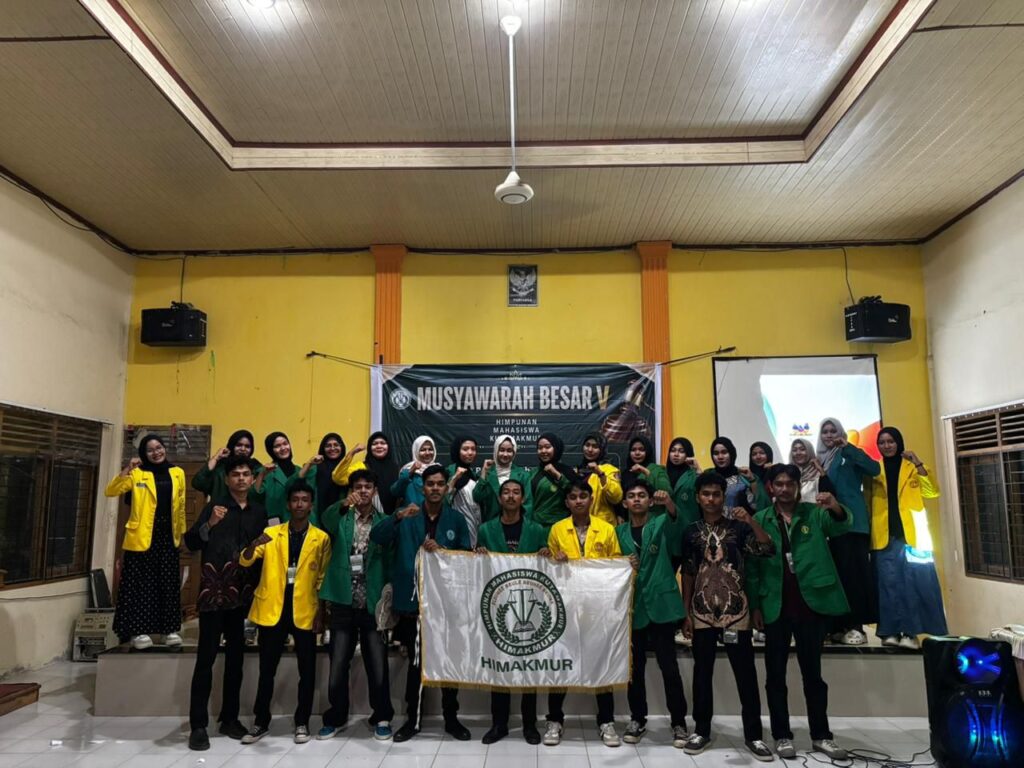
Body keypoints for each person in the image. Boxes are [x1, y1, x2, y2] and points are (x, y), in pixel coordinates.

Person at [747, 464, 853, 761]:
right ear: (770, 488)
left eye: (789, 483)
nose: (783, 489)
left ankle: (821, 735)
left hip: (811, 605)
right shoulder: (760, 519)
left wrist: (836, 507)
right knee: (775, 675)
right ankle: (782, 735)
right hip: (775, 606)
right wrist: (755, 604)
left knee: (813, 675)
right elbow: (753, 567)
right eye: (778, 484)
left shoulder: (815, 514)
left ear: (797, 486)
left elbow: (841, 525)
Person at [370, 464, 471, 742]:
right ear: (422, 488)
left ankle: (451, 719)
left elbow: (466, 556)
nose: (436, 488)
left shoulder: (456, 519)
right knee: (416, 665)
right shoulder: (408, 515)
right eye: (431, 484)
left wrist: (444, 552)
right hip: (413, 604)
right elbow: (377, 537)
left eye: (441, 483)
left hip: (446, 604)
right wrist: (398, 515)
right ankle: (412, 720)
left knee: (448, 663)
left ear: (446, 487)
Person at [680, 471, 775, 761]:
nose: (711, 499)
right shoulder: (690, 532)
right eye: (706, 494)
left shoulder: (739, 527)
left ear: (724, 496)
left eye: (716, 494)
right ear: (698, 497)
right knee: (702, 673)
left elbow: (767, 549)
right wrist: (685, 613)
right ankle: (702, 731)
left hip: (737, 612)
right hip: (702, 611)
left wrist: (751, 520)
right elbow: (688, 572)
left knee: (745, 673)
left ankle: (754, 736)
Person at [239, 481, 331, 745]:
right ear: (289, 504)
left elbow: (322, 579)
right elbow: (245, 559)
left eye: (305, 500)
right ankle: (260, 722)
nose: (300, 504)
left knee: (307, 671)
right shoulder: (271, 533)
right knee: (267, 669)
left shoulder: (321, 538)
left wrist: (321, 614)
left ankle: (302, 721)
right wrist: (253, 543)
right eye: (295, 500)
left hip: (305, 610)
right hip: (273, 610)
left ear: (311, 505)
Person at [185, 455, 266, 751]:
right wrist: (211, 522)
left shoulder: (259, 511)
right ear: (228, 478)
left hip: (243, 595)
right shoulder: (214, 506)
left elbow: (262, 548)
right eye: (236, 474)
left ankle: (229, 718)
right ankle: (198, 725)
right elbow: (192, 542)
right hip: (213, 594)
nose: (242, 479)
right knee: (205, 660)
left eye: (246, 474)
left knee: (236, 660)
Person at [544, 478, 622, 748]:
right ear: (566, 502)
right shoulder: (557, 529)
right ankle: (554, 720)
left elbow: (615, 569)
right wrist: (553, 559)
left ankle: (606, 721)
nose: (578, 500)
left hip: (597, 610)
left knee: (602, 663)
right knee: (560, 665)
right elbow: (548, 569)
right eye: (573, 497)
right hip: (565, 608)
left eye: (583, 496)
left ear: (590, 499)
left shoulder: (606, 529)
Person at [317, 469, 394, 741]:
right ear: (351, 490)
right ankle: (335, 717)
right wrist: (342, 504)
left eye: (368, 487)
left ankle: (382, 716)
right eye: (358, 486)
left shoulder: (385, 521)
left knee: (378, 664)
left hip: (372, 603)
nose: (363, 491)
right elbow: (324, 519)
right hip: (342, 600)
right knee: (338, 663)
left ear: (374, 491)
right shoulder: (340, 517)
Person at [475, 478, 550, 745]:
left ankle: (530, 724)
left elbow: (547, 565)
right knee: (499, 667)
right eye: (505, 492)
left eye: (516, 492)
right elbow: (478, 568)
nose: (510, 496)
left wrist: (547, 552)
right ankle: (499, 724)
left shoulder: (537, 529)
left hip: (530, 609)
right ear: (498, 498)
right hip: (497, 607)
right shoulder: (485, 529)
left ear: (523, 498)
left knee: (528, 665)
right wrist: (479, 554)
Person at [615, 480, 689, 748]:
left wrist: (669, 503)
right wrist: (622, 563)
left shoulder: (660, 523)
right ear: (624, 503)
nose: (636, 500)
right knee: (634, 671)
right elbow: (610, 565)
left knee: (669, 668)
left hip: (661, 606)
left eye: (642, 496)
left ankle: (679, 722)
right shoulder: (618, 531)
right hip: (633, 608)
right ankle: (638, 718)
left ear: (649, 501)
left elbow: (680, 528)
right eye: (631, 496)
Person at [104, 435, 186, 650]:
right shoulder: (137, 473)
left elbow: (181, 504)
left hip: (169, 536)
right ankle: (138, 631)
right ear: (143, 454)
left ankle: (169, 630)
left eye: (159, 447)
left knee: (168, 584)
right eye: (150, 450)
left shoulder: (177, 473)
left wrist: (181, 532)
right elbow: (111, 491)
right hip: (141, 538)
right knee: (140, 586)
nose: (156, 452)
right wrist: (126, 470)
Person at [869, 427, 948, 649]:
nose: (887, 446)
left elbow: (932, 492)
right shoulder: (874, 470)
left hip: (913, 536)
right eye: (882, 442)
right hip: (884, 536)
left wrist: (919, 462)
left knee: (914, 584)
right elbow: (868, 502)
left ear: (899, 443)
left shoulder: (912, 467)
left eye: (891, 441)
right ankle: (889, 632)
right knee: (887, 585)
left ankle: (910, 633)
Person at [816, 417, 880, 645]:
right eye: (825, 431)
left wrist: (849, 448)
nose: (830, 435)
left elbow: (874, 468)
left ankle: (857, 627)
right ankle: (838, 626)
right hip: (828, 528)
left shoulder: (847, 454)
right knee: (837, 579)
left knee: (855, 577)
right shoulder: (818, 459)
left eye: (834, 431)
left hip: (853, 525)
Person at [252, 431, 322, 524]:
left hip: (301, 524)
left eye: (285, 443)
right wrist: (261, 474)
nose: (283, 448)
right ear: (270, 450)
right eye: (277, 446)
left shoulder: (299, 470)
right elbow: (255, 496)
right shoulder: (266, 471)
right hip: (276, 524)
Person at [473, 434, 533, 523]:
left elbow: (527, 505)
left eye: (509, 451)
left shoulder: (523, 475)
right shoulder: (487, 473)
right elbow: (477, 497)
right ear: (496, 450)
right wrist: (484, 473)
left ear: (514, 452)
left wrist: (523, 527)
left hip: (516, 525)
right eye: (501, 450)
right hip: (491, 527)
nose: (505, 454)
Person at [192, 429, 262, 503]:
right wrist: (216, 458)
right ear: (232, 446)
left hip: (247, 512)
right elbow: (198, 483)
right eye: (239, 445)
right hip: (220, 511)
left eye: (247, 446)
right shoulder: (220, 468)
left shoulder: (256, 468)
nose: (243, 449)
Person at [709, 437, 770, 513]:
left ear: (731, 453)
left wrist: (752, 480)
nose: (720, 457)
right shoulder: (707, 476)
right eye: (716, 453)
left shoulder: (745, 476)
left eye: (724, 452)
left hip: (740, 523)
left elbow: (760, 505)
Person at [529, 433, 576, 528]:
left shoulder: (567, 471)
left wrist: (557, 475)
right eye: (540, 448)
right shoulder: (533, 473)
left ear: (556, 448)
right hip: (536, 526)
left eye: (547, 447)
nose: (543, 451)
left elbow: (575, 493)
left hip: (560, 526)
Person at [576, 432, 623, 525]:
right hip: (580, 523)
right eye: (587, 445)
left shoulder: (609, 470)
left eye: (595, 446)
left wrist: (600, 473)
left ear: (602, 449)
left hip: (603, 525)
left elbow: (616, 497)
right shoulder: (577, 470)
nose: (590, 449)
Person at [621, 435, 673, 516]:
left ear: (647, 451)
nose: (637, 453)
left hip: (655, 519)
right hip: (632, 520)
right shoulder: (626, 473)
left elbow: (667, 492)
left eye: (641, 449)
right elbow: (623, 498)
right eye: (633, 450)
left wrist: (646, 472)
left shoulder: (657, 470)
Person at [447, 435, 483, 546]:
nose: (470, 452)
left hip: (474, 525)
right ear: (457, 450)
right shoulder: (449, 471)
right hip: (455, 526)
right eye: (465, 449)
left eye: (473, 449)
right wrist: (455, 478)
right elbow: (443, 498)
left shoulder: (473, 475)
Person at [390, 435, 437, 508]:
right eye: (423, 450)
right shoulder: (408, 470)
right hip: (413, 515)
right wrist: (411, 470)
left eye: (430, 449)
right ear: (416, 451)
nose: (427, 453)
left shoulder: (439, 469)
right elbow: (396, 491)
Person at [789, 438, 835, 503]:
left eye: (802, 449)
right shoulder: (788, 474)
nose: (798, 453)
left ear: (809, 451)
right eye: (794, 450)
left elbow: (830, 497)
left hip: (815, 512)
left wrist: (820, 470)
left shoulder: (819, 474)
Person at [314, 432, 347, 515]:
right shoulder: (316, 467)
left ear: (342, 447)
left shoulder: (347, 467)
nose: (332, 448)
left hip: (342, 515)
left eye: (336, 445)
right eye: (328, 446)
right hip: (320, 514)